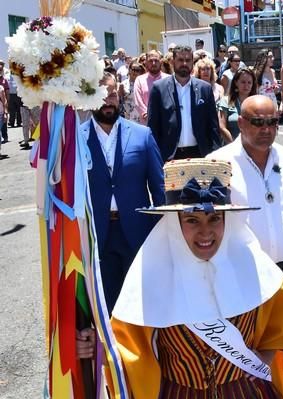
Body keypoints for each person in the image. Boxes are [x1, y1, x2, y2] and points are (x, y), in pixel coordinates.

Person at [78, 157, 283, 399]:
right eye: (191, 220)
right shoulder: (149, 280)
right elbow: (125, 352)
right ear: (174, 223)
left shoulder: (254, 270)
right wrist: (96, 346)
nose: (205, 231)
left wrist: (262, 359)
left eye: (215, 219)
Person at [211, 95, 283, 294]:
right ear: (241, 123)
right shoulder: (217, 163)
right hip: (240, 272)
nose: (266, 129)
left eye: (272, 122)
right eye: (258, 122)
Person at [81, 73, 165, 311]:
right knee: (106, 303)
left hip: (138, 233)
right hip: (98, 235)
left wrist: (161, 232)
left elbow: (159, 189)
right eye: (101, 95)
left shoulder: (142, 135)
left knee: (142, 302)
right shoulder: (76, 140)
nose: (108, 101)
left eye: (112, 94)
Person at [147, 45, 222, 161]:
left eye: (188, 60)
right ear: (173, 62)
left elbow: (213, 127)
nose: (184, 64)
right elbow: (153, 127)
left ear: (193, 62)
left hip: (200, 154)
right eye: (180, 60)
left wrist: (215, 155)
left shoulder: (204, 89)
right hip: (170, 156)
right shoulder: (159, 88)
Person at [218, 67, 257, 144]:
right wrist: (234, 146)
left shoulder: (256, 103)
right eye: (243, 82)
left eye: (249, 82)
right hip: (231, 148)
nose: (246, 85)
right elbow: (221, 127)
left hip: (253, 148)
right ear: (236, 82)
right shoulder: (226, 101)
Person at [133, 50, 169, 125]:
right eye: (150, 61)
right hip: (146, 122)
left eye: (156, 60)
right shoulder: (139, 80)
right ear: (146, 62)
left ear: (161, 62)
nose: (153, 63)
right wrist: (147, 114)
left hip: (166, 122)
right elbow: (138, 101)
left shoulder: (169, 79)